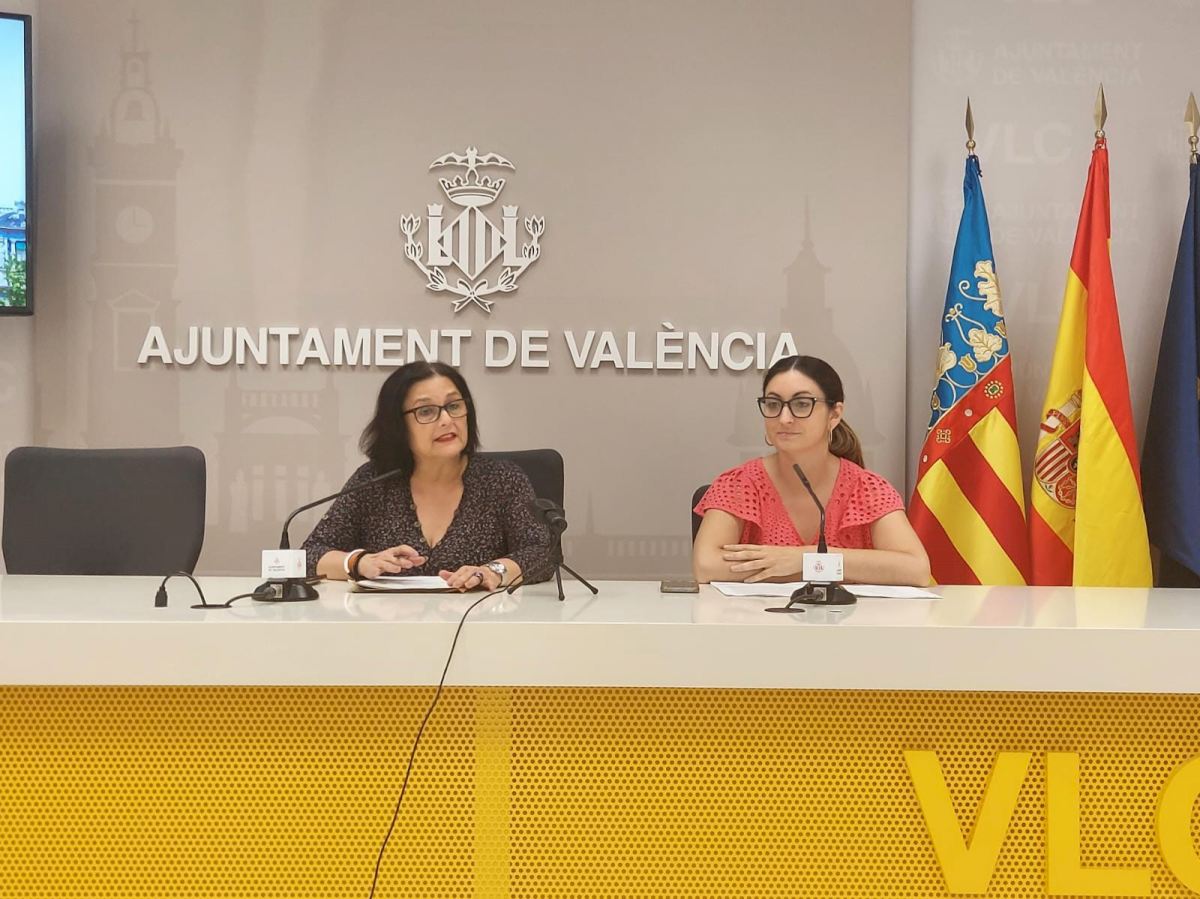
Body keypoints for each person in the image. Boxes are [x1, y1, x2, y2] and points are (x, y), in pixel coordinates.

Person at [302, 361, 553, 590]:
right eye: (425, 411)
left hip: (477, 621)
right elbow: (309, 555)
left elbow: (542, 553)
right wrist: (358, 562)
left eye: (454, 406)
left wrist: (492, 572)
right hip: (388, 623)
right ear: (397, 425)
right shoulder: (373, 481)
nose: (446, 420)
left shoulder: (502, 480)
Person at [692, 355, 930, 586]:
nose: (784, 418)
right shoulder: (739, 484)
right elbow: (706, 565)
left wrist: (805, 560)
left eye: (802, 404)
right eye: (773, 404)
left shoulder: (866, 488)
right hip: (757, 614)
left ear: (834, 414)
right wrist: (816, 570)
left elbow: (916, 569)